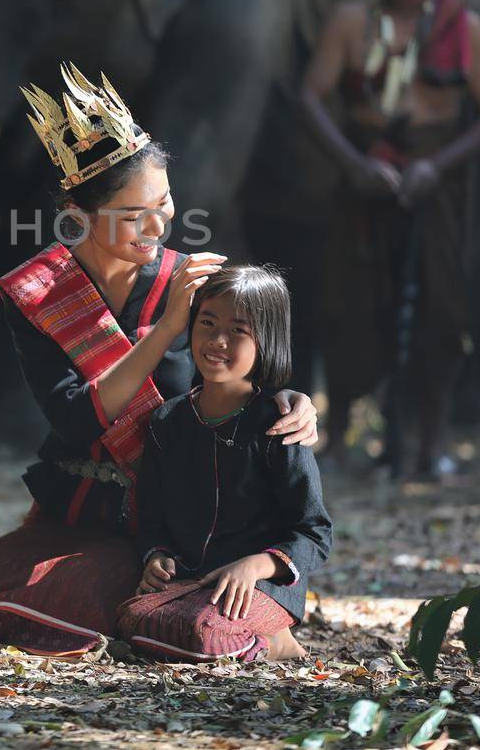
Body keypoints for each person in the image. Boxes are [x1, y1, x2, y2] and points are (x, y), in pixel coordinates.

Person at [0, 64, 320, 656]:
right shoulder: (38, 293)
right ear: (79, 214)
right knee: (4, 595)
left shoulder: (191, 282)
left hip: (191, 511)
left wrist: (295, 401)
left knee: (117, 601)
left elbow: (243, 367)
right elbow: (77, 420)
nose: (160, 225)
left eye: (165, 203)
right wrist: (164, 331)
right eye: (136, 215)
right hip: (84, 507)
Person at [298, 0, 480, 480]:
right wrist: (353, 162)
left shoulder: (464, 27)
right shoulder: (350, 21)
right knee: (350, 302)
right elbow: (311, 96)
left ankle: (429, 443)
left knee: (441, 309)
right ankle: (338, 438)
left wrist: (436, 166)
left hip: (434, 188)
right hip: (365, 180)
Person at [117, 266, 332, 662]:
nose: (217, 341)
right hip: (189, 580)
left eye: (238, 331)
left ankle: (276, 640)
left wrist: (256, 565)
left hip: (260, 585)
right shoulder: (167, 421)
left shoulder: (278, 423)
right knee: (132, 618)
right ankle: (235, 638)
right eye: (207, 323)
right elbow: (151, 517)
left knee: (205, 635)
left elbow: (314, 532)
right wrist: (156, 556)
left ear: (266, 339)